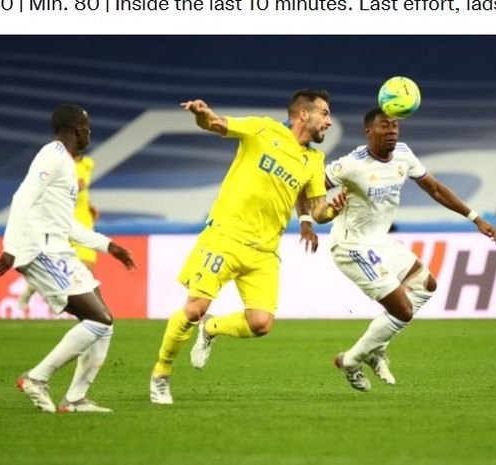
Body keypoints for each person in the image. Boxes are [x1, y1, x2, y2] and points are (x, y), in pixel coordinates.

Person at [149, 90, 347, 404]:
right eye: (324, 113)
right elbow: (215, 124)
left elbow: (318, 210)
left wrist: (333, 210)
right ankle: (161, 373)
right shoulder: (262, 129)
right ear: (302, 114)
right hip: (226, 236)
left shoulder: (314, 160)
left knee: (260, 323)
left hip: (265, 252)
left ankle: (211, 329)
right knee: (193, 309)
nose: (329, 120)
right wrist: (202, 113)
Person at [321, 107, 496, 392]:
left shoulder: (403, 154)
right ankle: (351, 361)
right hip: (351, 245)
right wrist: (318, 213)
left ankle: (375, 348)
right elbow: (311, 186)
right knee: (402, 310)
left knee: (425, 285)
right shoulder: (352, 164)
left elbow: (436, 189)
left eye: (395, 126)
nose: (391, 131)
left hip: (379, 241)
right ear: (368, 131)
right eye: (384, 126)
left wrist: (475, 218)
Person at [0, 104, 136, 413]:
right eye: (88, 127)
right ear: (78, 129)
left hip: (60, 249)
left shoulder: (67, 164)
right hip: (41, 250)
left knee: (104, 323)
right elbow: (22, 197)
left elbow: (64, 222)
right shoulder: (52, 156)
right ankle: (36, 378)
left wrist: (108, 245)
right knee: (99, 319)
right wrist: (10, 247)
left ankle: (74, 400)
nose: (90, 133)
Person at [18, 152, 100, 312]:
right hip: (62, 220)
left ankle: (88, 312)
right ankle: (30, 290)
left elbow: (84, 190)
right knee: (54, 264)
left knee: (87, 267)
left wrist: (89, 205)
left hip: (83, 221)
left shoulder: (88, 164)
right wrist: (74, 185)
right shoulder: (59, 166)